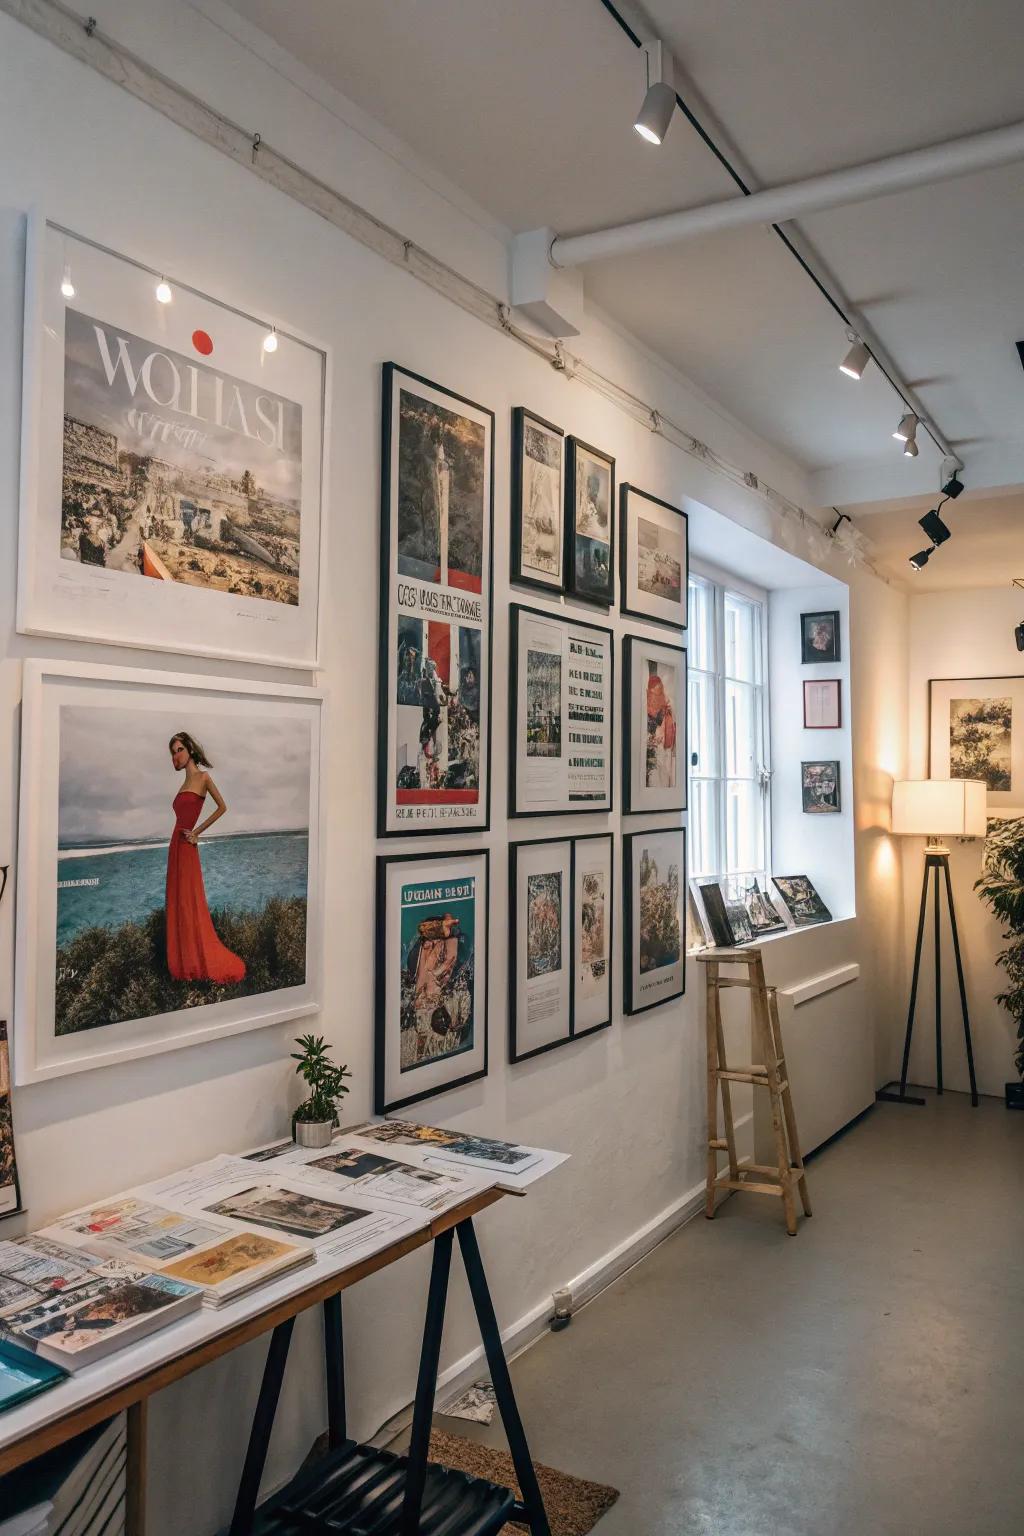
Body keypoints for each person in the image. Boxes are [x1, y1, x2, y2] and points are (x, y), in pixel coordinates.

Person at [166, 732, 246, 984]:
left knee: (190, 903)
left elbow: (223, 807)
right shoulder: (182, 785)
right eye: (172, 753)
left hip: (187, 846)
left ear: (189, 749)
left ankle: (197, 962)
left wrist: (197, 833)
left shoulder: (203, 778)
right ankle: (183, 962)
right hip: (175, 848)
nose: (175, 757)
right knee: (178, 903)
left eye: (178, 750)